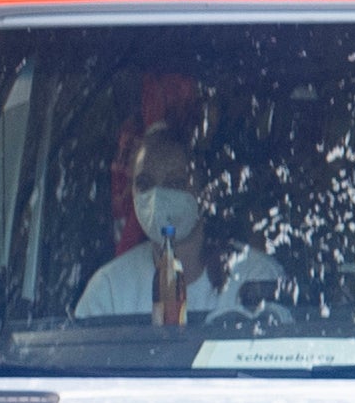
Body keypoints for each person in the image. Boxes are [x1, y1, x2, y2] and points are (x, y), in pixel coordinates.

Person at [74, 123, 284, 323]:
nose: (158, 196)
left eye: (176, 183)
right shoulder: (109, 288)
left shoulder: (254, 276)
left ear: (206, 192)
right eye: (145, 184)